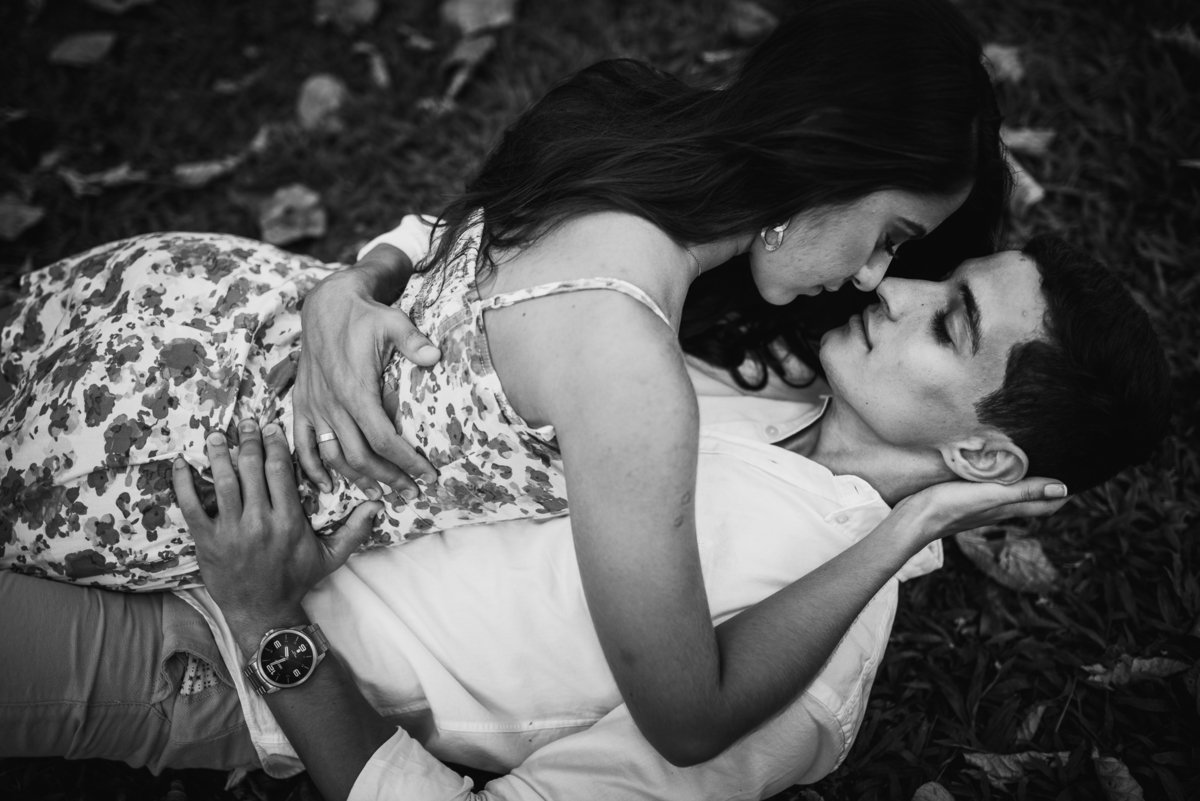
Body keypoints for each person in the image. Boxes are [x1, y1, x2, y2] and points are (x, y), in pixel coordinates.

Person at [1, 0, 1019, 766]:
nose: (874, 276)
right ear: (830, 155)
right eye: (891, 236)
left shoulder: (617, 118)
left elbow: (451, 238)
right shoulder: (628, 374)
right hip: (151, 456)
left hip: (169, 301)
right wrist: (901, 532)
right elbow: (688, 717)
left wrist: (352, 280)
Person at [0, 237, 1171, 801]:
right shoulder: (748, 383)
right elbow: (488, 272)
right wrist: (351, 287)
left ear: (983, 454)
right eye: (930, 273)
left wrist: (270, 625)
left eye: (948, 322)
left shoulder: (804, 682)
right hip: (175, 457)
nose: (892, 287)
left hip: (201, 650)